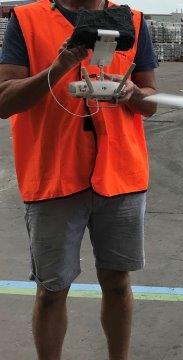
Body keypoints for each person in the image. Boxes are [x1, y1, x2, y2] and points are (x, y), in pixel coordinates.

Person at [0, 0, 158, 359]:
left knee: (118, 284)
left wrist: (133, 93)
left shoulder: (132, 22)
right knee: (52, 291)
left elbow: (151, 99)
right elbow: (4, 101)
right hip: (53, 177)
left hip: (120, 177)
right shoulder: (26, 21)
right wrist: (56, 70)